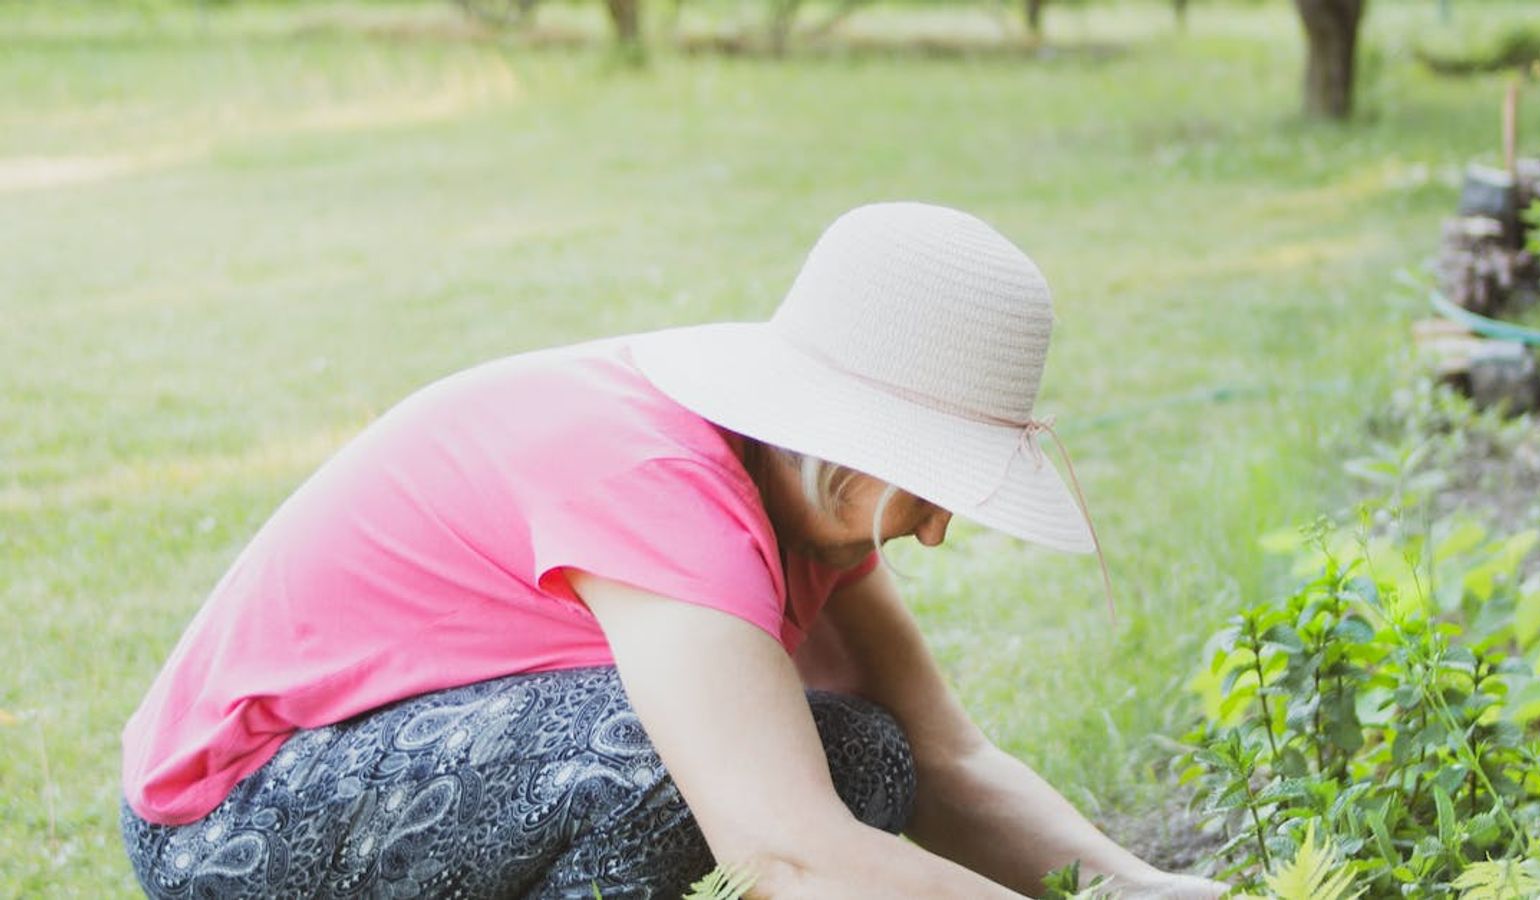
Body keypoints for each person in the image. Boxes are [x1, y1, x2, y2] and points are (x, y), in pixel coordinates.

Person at [119, 202, 1226, 898]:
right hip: (235, 822)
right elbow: (780, 852)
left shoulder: (800, 501)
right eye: (935, 486)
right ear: (846, 447)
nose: (939, 529)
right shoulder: (660, 488)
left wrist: (1136, 887)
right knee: (668, 768)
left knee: (866, 758)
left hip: (389, 770)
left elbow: (950, 763)